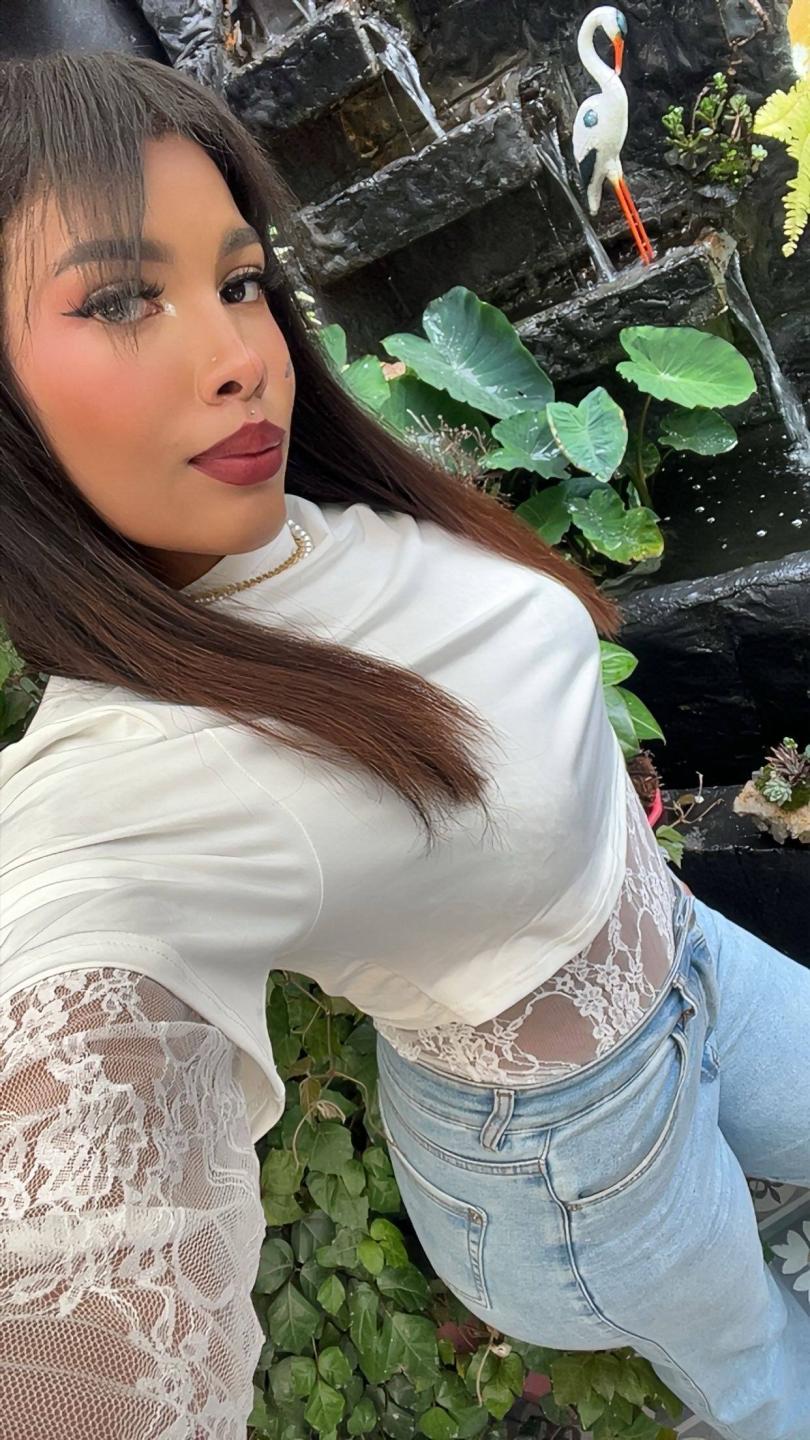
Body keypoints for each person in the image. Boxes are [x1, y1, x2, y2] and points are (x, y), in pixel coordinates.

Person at [0, 50, 807, 1440]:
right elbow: (78, 1294)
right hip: (567, 1158)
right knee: (763, 1376)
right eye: (121, 299)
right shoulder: (124, 787)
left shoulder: (328, 509)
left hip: (691, 965)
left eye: (238, 281)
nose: (239, 358)